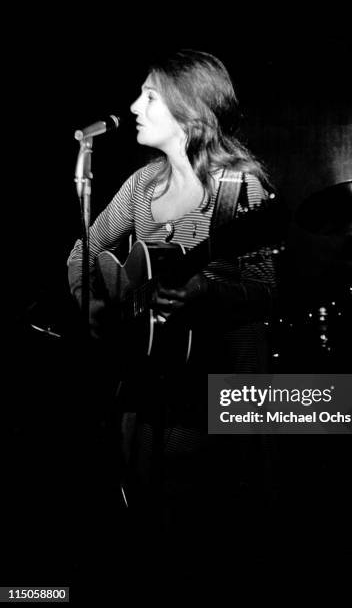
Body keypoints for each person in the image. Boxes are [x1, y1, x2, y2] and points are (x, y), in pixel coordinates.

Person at [67, 49, 278, 554]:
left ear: (190, 111)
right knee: (141, 509)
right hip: (146, 381)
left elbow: (269, 286)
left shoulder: (238, 189)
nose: (135, 106)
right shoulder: (143, 185)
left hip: (220, 381)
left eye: (150, 96)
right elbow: (83, 251)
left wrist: (208, 290)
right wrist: (90, 303)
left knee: (207, 521)